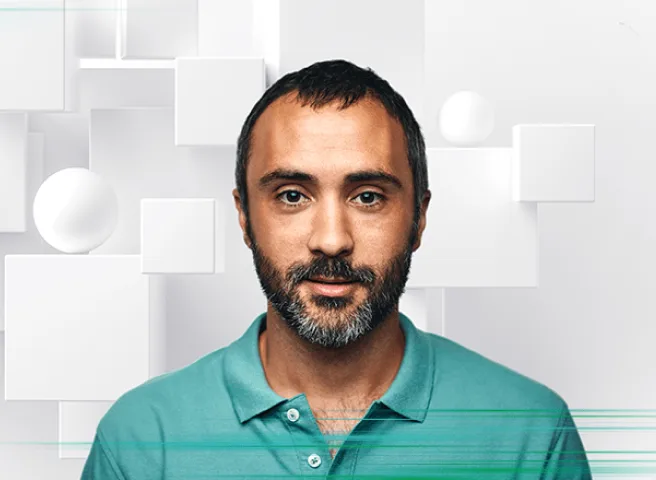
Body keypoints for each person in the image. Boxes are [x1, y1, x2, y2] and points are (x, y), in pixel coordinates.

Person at [81, 59, 592, 479]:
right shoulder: (142, 439)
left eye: (368, 197)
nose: (331, 239)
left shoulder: (530, 432)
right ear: (244, 216)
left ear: (419, 218)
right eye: (292, 195)